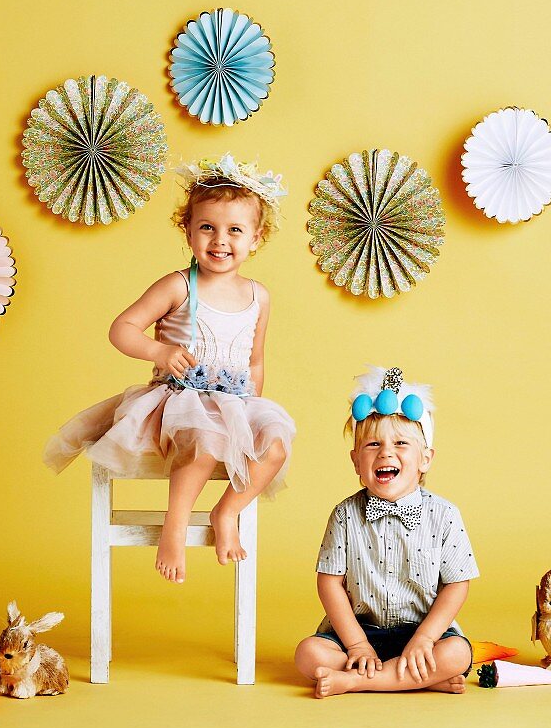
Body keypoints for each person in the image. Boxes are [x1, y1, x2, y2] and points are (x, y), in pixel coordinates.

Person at [44, 154, 295, 583]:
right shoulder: (178, 285)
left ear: (256, 238)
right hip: (180, 400)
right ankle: (174, 527)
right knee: (205, 439)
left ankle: (226, 510)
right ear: (189, 230)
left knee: (275, 446)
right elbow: (121, 329)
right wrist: (159, 353)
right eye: (207, 227)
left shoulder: (259, 296)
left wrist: (252, 406)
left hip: (236, 399)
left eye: (235, 230)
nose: (220, 240)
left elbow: (255, 358)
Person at [294, 366, 478, 698]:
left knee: (457, 654)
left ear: (425, 459)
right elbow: (329, 582)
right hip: (359, 629)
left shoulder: (444, 515)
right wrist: (356, 643)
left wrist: (424, 638)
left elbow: (457, 584)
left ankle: (355, 681)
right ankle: (417, 680)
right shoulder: (345, 515)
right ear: (355, 461)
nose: (386, 452)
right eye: (373, 444)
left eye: (401, 443)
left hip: (422, 632)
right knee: (309, 655)